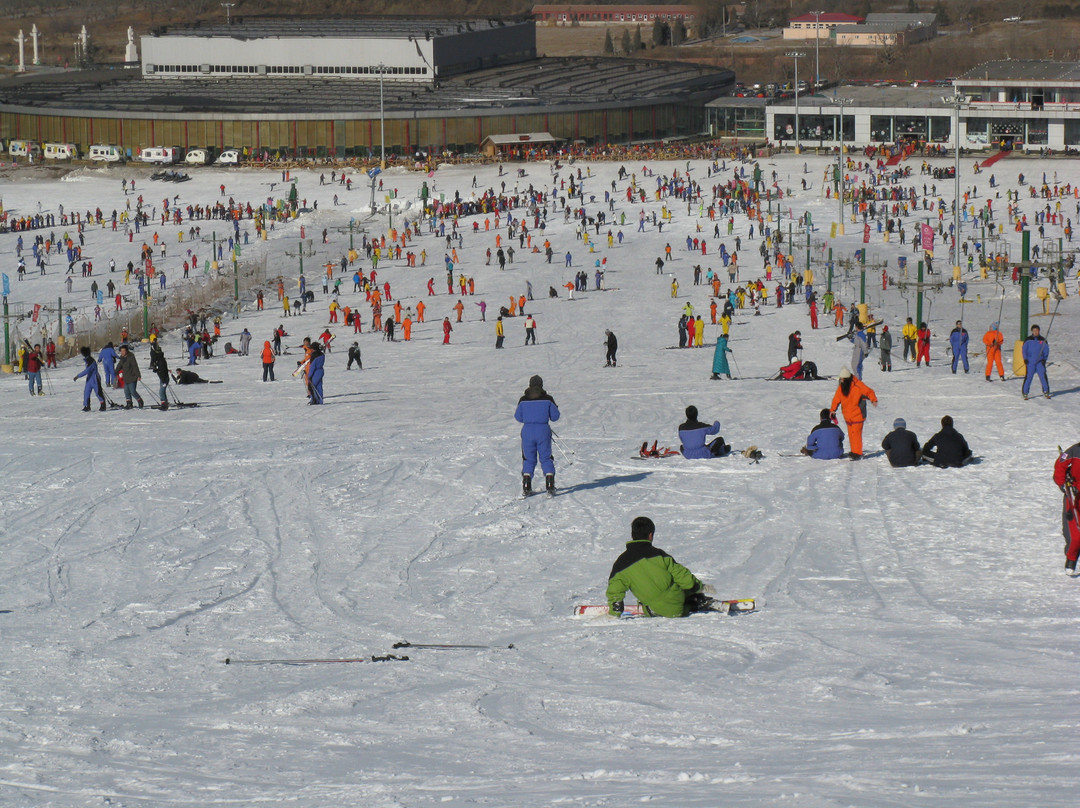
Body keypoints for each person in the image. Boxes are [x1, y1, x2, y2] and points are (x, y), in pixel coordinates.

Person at [605, 516, 717, 618]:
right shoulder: (660, 555)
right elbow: (682, 576)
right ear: (650, 535)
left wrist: (615, 612)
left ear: (632, 534)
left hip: (655, 608)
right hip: (676, 600)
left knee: (668, 605)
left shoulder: (621, 564)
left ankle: (691, 604)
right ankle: (696, 601)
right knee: (680, 590)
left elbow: (615, 590)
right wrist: (699, 587)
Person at [514, 374, 560, 495]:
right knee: (546, 457)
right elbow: (555, 417)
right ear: (541, 385)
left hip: (527, 431)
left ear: (529, 385)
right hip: (543, 430)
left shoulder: (523, 400)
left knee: (528, 458)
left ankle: (526, 484)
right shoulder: (548, 399)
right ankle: (550, 484)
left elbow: (518, 417)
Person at [830, 367, 877, 460]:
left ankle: (857, 453)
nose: (841, 380)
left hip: (858, 415)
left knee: (856, 435)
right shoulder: (841, 388)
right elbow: (836, 399)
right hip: (848, 416)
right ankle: (854, 451)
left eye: (842, 379)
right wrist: (832, 410)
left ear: (847, 379)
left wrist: (873, 400)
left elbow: (869, 391)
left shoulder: (858, 385)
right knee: (851, 434)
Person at [1053, 443, 1080, 574]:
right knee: (1074, 529)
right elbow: (1061, 464)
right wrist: (1062, 482)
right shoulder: (1074, 451)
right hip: (1075, 495)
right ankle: (1071, 559)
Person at [1021, 323, 1050, 399]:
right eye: (1034, 331)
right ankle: (1025, 392)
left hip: (1040, 362)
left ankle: (1046, 391)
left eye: (1037, 330)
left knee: (1043, 376)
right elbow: (1024, 350)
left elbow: (1046, 350)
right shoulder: (1028, 340)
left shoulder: (1042, 340)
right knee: (1029, 377)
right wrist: (1025, 359)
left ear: (1039, 331)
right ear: (1032, 331)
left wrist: (1044, 359)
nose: (1035, 332)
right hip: (1030, 362)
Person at [73, 346, 106, 411]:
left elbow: (87, 371)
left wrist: (78, 376)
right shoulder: (87, 360)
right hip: (89, 379)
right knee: (86, 392)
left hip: (95, 379)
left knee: (98, 392)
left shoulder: (91, 361)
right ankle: (86, 406)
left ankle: (103, 404)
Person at [115, 344, 144, 408]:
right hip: (126, 378)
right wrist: (115, 372)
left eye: (124, 351)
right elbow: (119, 366)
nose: (122, 352)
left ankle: (140, 401)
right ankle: (129, 404)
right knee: (126, 391)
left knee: (133, 391)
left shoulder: (131, 357)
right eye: (121, 351)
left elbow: (135, 366)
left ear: (127, 351)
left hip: (132, 377)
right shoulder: (122, 359)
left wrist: (138, 375)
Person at [148, 334, 170, 409]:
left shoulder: (160, 360)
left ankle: (164, 403)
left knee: (161, 391)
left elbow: (163, 371)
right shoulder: (156, 349)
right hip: (163, 376)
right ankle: (165, 402)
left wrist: (163, 380)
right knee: (162, 391)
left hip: (164, 377)